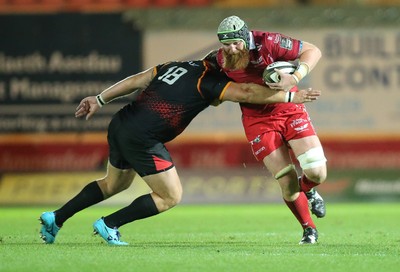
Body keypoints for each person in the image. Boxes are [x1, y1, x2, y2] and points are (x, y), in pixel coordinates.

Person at [39, 58, 321, 245]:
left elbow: (137, 79)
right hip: (144, 137)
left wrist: (100, 99)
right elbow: (247, 93)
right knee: (170, 196)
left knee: (113, 184)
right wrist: (289, 95)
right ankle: (110, 224)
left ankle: (56, 218)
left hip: (122, 123)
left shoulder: (176, 66)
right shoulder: (210, 80)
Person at [215, 15, 327, 244]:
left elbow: (313, 51)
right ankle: (309, 229)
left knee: (317, 173)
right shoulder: (219, 60)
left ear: (246, 36)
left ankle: (309, 190)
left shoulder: (269, 42)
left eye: (236, 43)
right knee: (286, 181)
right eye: (227, 44)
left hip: (289, 110)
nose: (232, 49)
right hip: (257, 121)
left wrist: (295, 76)